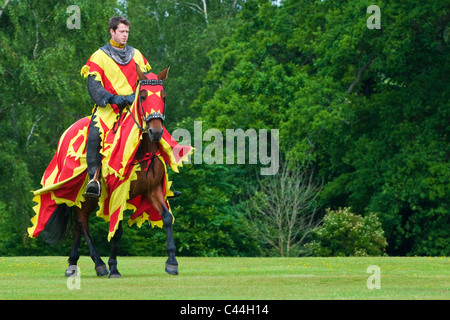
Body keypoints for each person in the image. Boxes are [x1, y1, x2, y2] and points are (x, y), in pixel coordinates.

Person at [81, 16, 151, 199]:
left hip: (133, 110)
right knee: (94, 135)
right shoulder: (99, 56)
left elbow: (145, 82)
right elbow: (94, 87)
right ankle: (94, 179)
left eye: (127, 32)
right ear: (112, 32)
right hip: (107, 111)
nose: (125, 35)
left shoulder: (136, 55)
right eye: (121, 31)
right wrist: (113, 98)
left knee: (155, 128)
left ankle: (159, 180)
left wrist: (136, 97)